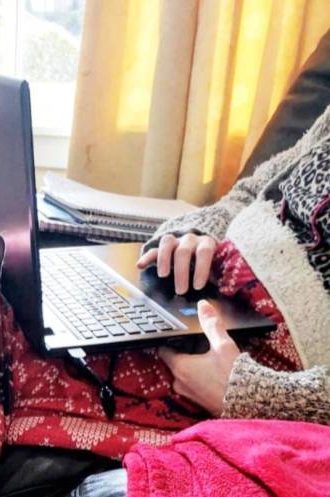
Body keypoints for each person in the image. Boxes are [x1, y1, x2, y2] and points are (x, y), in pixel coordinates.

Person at [135, 106, 330, 424]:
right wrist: (197, 232)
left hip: (267, 370)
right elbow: (251, 191)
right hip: (207, 289)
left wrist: (259, 396)